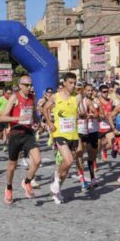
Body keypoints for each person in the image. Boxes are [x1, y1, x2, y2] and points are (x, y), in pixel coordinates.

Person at [0, 75, 40, 204]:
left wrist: (37, 122)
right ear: (20, 85)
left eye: (30, 85)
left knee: (37, 160)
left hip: (28, 133)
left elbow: (34, 114)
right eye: (26, 85)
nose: (29, 87)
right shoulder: (14, 97)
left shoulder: (32, 97)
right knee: (12, 166)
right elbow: (3, 118)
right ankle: (9, 188)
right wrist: (18, 119)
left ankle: (27, 182)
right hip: (16, 134)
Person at [42, 73, 79, 203]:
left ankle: (58, 190)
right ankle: (56, 177)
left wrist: (84, 115)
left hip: (73, 135)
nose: (73, 85)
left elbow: (80, 112)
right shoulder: (55, 97)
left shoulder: (76, 97)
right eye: (70, 82)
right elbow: (45, 109)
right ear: (64, 83)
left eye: (74, 83)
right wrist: (49, 123)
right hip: (60, 133)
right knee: (68, 161)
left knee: (67, 168)